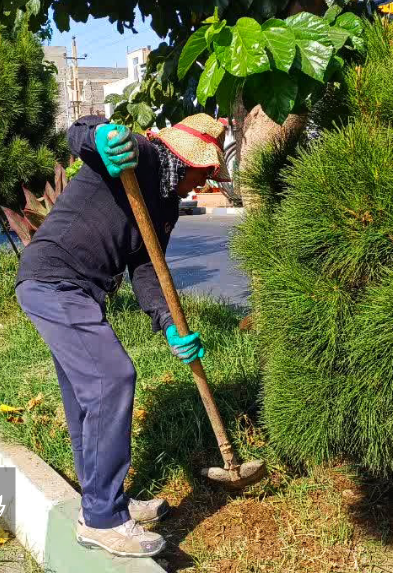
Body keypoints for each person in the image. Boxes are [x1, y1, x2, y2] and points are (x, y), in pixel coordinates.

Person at [15, 113, 231, 558]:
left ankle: (101, 499)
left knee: (85, 395)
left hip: (82, 291)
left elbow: (147, 268)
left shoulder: (165, 203)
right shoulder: (142, 154)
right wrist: (100, 136)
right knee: (111, 378)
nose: (202, 183)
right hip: (53, 280)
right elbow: (82, 133)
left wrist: (170, 323)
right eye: (204, 172)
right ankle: (103, 520)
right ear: (188, 161)